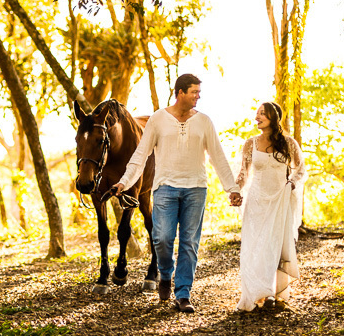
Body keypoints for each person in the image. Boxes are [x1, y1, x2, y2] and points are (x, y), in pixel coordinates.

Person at [111, 74, 242, 313]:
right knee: (162, 239)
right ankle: (165, 274)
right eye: (194, 92)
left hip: (196, 189)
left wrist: (231, 188)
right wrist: (124, 182)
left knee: (189, 243)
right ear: (180, 92)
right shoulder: (158, 119)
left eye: (199, 92)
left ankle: (183, 294)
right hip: (165, 189)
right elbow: (140, 155)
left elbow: (218, 157)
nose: (198, 96)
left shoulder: (204, 121)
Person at [231, 102, 306, 312]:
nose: (257, 117)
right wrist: (235, 190)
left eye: (262, 114)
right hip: (256, 201)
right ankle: (258, 292)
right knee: (255, 246)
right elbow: (243, 174)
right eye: (257, 114)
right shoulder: (250, 144)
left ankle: (273, 293)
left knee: (275, 244)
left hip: (279, 200)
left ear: (273, 117)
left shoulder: (289, 143)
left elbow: (301, 170)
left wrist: (291, 184)